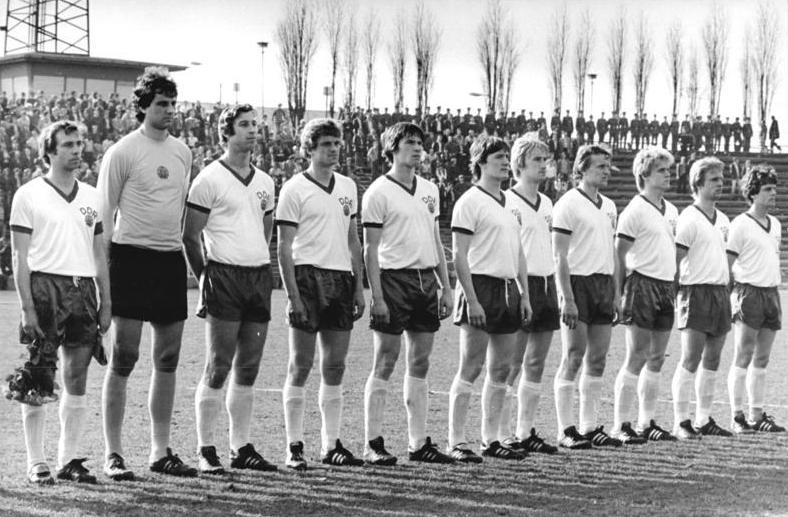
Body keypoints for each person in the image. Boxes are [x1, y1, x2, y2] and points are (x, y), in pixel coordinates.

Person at [98, 67, 196, 480]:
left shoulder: (183, 152)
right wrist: (102, 278)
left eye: (173, 104)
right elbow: (104, 217)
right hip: (131, 258)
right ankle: (114, 453)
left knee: (168, 358)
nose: (169, 110)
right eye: (161, 104)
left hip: (169, 259)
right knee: (124, 357)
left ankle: (160, 450)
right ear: (143, 107)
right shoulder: (122, 151)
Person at [8, 120, 110, 484]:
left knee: (77, 375)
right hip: (44, 288)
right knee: (39, 375)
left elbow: (100, 253)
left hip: (83, 290)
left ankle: (69, 459)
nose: (77, 149)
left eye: (80, 142)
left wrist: (107, 300)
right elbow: (20, 258)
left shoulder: (93, 196)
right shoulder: (28, 194)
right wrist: (26, 306)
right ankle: (36, 461)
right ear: (49, 150)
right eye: (68, 144)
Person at [182, 105, 278, 474]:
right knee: (218, 365)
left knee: (249, 367)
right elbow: (189, 236)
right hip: (223, 276)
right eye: (244, 125)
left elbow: (264, 230)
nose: (252, 130)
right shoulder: (208, 179)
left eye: (255, 124)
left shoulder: (266, 182)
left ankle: (241, 446)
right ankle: (206, 448)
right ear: (226, 132)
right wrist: (205, 276)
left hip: (258, 276)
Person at [360, 122, 455, 465]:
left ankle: (418, 443)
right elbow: (369, 250)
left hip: (426, 280)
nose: (417, 148)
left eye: (419, 143)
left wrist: (446, 286)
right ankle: (373, 442)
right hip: (393, 280)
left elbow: (435, 240)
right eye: (409, 143)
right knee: (385, 360)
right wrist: (378, 295)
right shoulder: (377, 192)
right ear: (392, 148)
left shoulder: (430, 189)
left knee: (420, 361)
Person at [276, 118, 366, 470]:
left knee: (335, 365)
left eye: (337, 143)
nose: (333, 149)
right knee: (300, 364)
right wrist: (293, 295)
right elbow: (284, 246)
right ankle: (294, 445)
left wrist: (358, 286)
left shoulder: (347, 186)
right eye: (326, 143)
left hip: (341, 279)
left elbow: (353, 239)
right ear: (309, 148)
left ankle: (331, 444)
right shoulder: (294, 188)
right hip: (307, 278)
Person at [447, 135, 531, 463]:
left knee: (501, 370)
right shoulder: (469, 201)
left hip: (509, 289)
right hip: (480, 288)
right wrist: (472, 298)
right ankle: (456, 440)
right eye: (498, 156)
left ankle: (491, 438)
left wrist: (523, 294)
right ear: (481, 161)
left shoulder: (511, 203)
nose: (505, 161)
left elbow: (519, 253)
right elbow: (458, 254)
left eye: (507, 156)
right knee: (471, 366)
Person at [552, 144, 622, 449]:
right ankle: (566, 429)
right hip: (577, 285)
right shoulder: (567, 203)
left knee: (598, 358)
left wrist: (616, 293)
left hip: (603, 285)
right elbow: (559, 256)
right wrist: (566, 297)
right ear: (582, 168)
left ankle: (590, 426)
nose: (606, 171)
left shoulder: (609, 206)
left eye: (607, 166)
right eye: (600, 167)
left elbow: (612, 253)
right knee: (573, 356)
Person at [612, 148, 680, 443]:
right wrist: (617, 294)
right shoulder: (634, 211)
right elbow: (619, 256)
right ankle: (621, 424)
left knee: (657, 358)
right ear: (645, 175)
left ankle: (646, 421)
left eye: (668, 170)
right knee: (636, 356)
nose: (668, 175)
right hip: (641, 285)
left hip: (665, 286)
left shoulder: (673, 210)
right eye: (662, 170)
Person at [499, 135, 559, 454]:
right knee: (512, 363)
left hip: (546, 285)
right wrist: (520, 291)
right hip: (521, 287)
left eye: (545, 160)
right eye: (537, 160)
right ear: (519, 164)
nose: (543, 165)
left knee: (536, 363)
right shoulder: (508, 201)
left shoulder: (548, 203)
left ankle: (525, 431)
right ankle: (502, 431)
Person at [671, 157, 733, 439]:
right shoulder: (689, 218)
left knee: (713, 359)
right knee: (690, 358)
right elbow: (676, 261)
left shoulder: (723, 219)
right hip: (695, 291)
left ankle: (703, 419)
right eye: (714, 180)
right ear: (698, 183)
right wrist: (675, 294)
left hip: (720, 292)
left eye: (721, 179)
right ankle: (680, 421)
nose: (720, 184)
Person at [726, 165, 785, 433]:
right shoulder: (740, 224)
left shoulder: (776, 224)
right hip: (748, 293)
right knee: (743, 354)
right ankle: (737, 416)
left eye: (774, 188)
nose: (773, 193)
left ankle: (757, 414)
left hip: (771, 293)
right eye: (767, 189)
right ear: (753, 193)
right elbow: (727, 264)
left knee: (763, 358)